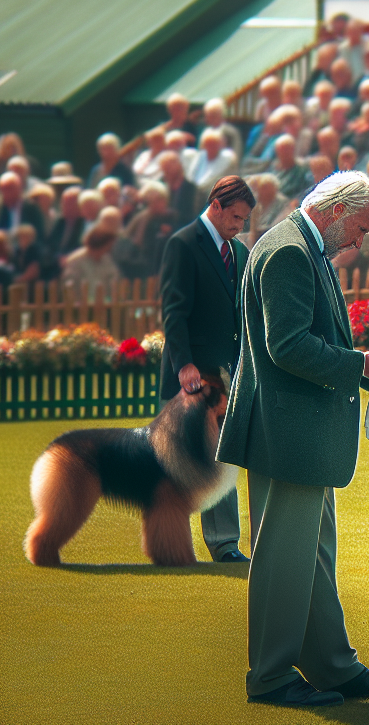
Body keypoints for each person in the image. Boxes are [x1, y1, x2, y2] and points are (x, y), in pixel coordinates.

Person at [215, 171, 369, 707]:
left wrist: (361, 366)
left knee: (312, 556)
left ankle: (333, 667)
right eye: (361, 228)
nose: (360, 240)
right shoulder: (291, 251)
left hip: (293, 430)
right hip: (288, 431)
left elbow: (297, 342)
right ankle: (271, 677)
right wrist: (359, 364)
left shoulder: (292, 243)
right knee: (284, 558)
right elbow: (289, 346)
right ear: (336, 211)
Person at [158, 175, 255, 563]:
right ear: (215, 205)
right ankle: (168, 543)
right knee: (175, 463)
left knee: (222, 456)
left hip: (228, 374)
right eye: (235, 217)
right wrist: (183, 365)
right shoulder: (182, 244)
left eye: (245, 220)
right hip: (192, 378)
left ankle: (225, 543)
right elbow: (173, 311)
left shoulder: (240, 252)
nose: (239, 225)